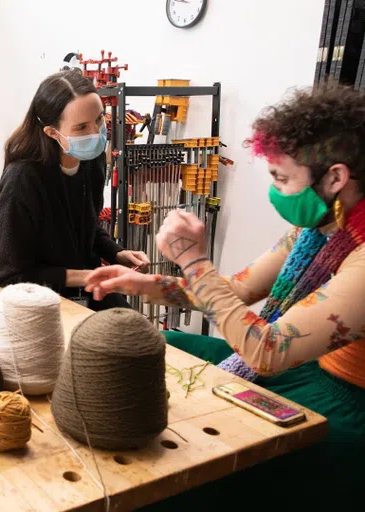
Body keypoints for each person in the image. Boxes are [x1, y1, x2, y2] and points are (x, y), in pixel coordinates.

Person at [87, 85, 365, 508]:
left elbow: (266, 350)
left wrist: (195, 262)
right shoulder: (320, 230)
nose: (274, 191)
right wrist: (139, 284)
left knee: (195, 466)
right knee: (161, 344)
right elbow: (233, 292)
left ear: (336, 178)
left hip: (346, 411)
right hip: (304, 371)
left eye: (282, 178)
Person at [0, 70, 149, 310]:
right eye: (81, 127)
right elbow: (10, 275)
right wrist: (89, 277)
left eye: (99, 119)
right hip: (41, 300)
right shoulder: (21, 181)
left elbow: (86, 226)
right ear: (52, 132)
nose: (96, 132)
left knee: (137, 335)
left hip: (87, 289)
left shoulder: (91, 160)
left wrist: (117, 253)